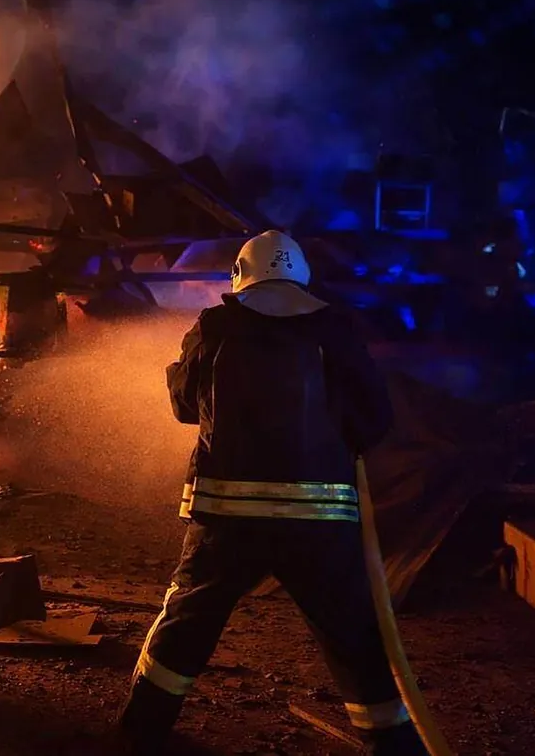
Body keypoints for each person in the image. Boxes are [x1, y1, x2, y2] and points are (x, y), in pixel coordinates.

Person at [118, 230, 427, 755]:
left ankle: (140, 733)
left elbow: (185, 405)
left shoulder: (216, 325)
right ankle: (393, 744)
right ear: (301, 275)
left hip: (226, 517)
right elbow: (374, 417)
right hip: (320, 519)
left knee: (188, 620)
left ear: (240, 275)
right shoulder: (333, 327)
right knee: (353, 631)